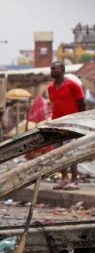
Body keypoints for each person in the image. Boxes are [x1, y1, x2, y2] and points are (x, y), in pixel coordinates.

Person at [48, 61, 85, 190]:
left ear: (62, 70)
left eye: (54, 68)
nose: (52, 71)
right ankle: (64, 179)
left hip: (71, 124)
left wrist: (80, 120)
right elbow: (54, 105)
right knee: (60, 153)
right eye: (51, 69)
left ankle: (74, 180)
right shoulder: (50, 88)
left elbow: (81, 102)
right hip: (57, 124)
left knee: (71, 152)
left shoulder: (73, 85)